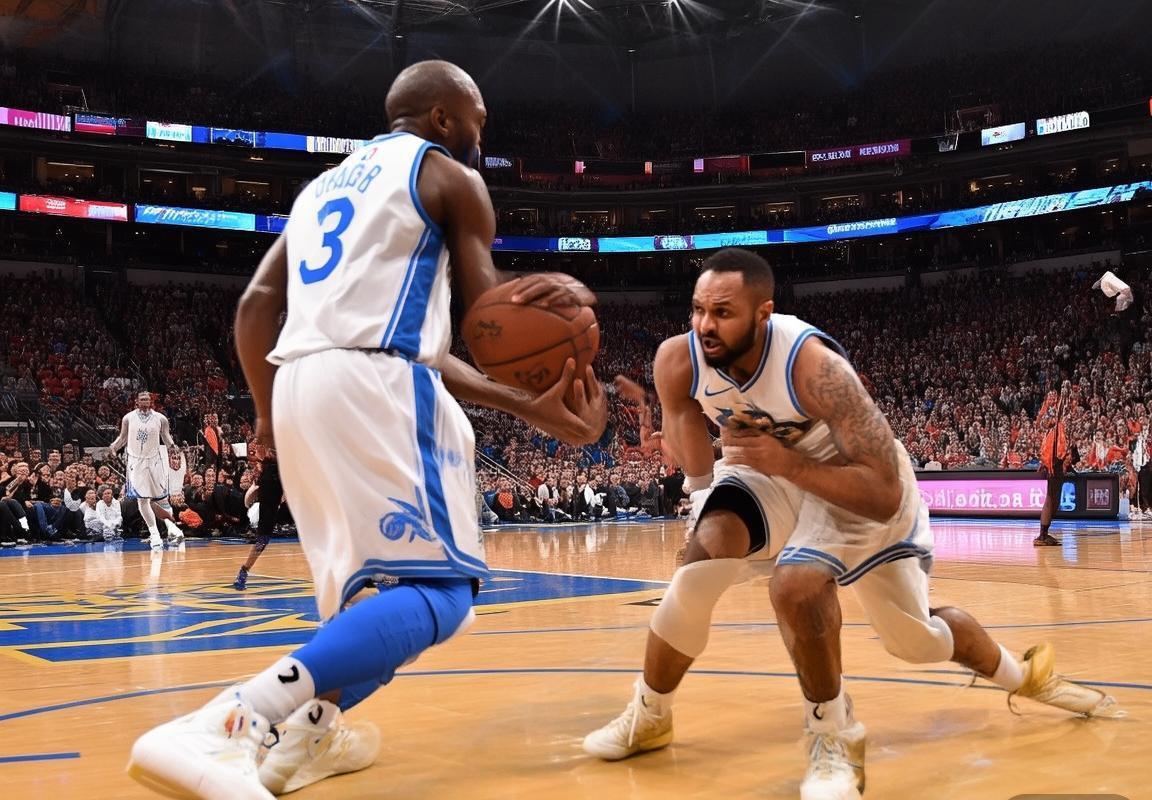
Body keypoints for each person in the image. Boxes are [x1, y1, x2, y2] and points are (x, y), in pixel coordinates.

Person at [128, 59, 608, 800]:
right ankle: (229, 722)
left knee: (374, 603)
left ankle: (309, 735)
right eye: (478, 121)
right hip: (379, 387)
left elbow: (256, 308)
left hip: (300, 385)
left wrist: (267, 413)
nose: (481, 137)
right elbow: (490, 329)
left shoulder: (320, 190)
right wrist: (560, 372)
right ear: (444, 117)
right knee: (442, 596)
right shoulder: (450, 177)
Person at [581, 249, 1122, 800]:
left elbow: (883, 493)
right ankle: (675, 716)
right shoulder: (679, 359)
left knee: (907, 637)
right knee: (705, 560)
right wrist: (701, 498)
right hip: (765, 471)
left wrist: (789, 464)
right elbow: (687, 433)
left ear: (763, 314)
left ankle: (1024, 676)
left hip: (853, 480)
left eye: (722, 313)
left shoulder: (814, 368)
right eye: (698, 310)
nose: (705, 326)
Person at [107, 391, 182, 548]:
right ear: (137, 401)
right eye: (142, 399)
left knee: (161, 499)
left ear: (151, 401)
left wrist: (173, 447)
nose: (145, 401)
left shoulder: (160, 418)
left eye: (147, 399)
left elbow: (166, 437)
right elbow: (122, 438)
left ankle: (173, 529)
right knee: (142, 499)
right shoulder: (128, 418)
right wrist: (113, 447)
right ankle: (154, 535)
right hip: (135, 462)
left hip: (154, 460)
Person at [233, 443, 285, 591]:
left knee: (262, 541)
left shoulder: (279, 464)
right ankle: (244, 571)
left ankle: (244, 571)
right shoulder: (266, 469)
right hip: (269, 505)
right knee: (262, 541)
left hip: (278, 501)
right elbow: (255, 492)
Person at [1036, 382, 1075, 546]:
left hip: (1055, 463)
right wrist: (1063, 396)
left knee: (1055, 499)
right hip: (1054, 464)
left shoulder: (1053, 432)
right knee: (1051, 498)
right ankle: (1042, 535)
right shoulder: (1056, 428)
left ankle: (1045, 533)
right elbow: (1059, 414)